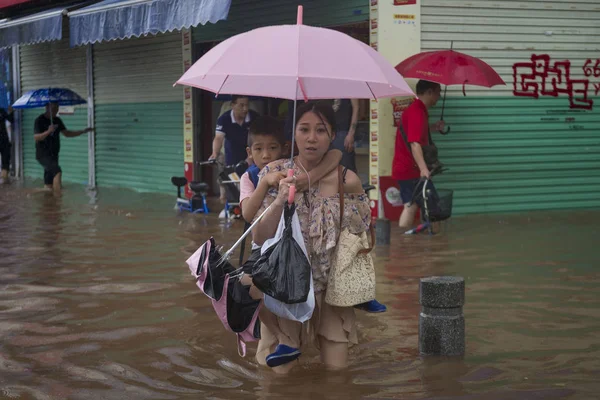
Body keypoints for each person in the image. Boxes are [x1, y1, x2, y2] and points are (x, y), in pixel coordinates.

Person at [249, 101, 374, 373]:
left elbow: (360, 236)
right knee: (276, 382)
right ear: (293, 134)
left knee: (337, 377)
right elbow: (259, 234)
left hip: (329, 292)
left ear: (332, 135)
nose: (312, 138)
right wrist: (280, 200)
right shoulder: (275, 173)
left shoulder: (347, 180)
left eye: (321, 130)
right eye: (304, 129)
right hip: (284, 287)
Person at [392, 80, 445, 231]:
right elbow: (414, 143)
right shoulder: (417, 111)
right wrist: (423, 169)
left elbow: (416, 131)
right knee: (434, 210)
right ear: (429, 92)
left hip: (406, 168)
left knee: (410, 205)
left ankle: (403, 243)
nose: (439, 96)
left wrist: (434, 127)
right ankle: (437, 247)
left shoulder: (418, 110)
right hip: (412, 170)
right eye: (437, 92)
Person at [210, 95, 259, 217]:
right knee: (231, 182)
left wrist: (251, 157)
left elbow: (259, 139)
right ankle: (231, 207)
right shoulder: (224, 119)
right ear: (233, 105)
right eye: (241, 105)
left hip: (251, 156)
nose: (245, 108)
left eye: (247, 105)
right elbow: (218, 138)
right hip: (231, 156)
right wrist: (214, 153)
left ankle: (250, 210)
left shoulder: (255, 118)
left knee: (250, 182)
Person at [34, 102, 94, 192]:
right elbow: (36, 137)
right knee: (57, 172)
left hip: (54, 154)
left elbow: (67, 133)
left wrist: (82, 131)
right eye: (53, 108)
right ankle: (58, 201)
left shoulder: (57, 120)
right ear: (47, 107)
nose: (56, 110)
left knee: (48, 186)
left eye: (57, 108)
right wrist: (48, 131)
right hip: (43, 154)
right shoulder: (39, 120)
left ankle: (47, 202)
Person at [330, 99, 360, 173]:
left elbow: (356, 108)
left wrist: (351, 133)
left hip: (343, 132)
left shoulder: (350, 88)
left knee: (347, 170)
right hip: (328, 131)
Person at [0, 106, 14, 182]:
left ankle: (4, 180)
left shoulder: (2, 111)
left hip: (4, 140)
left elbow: (11, 120)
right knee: (5, 161)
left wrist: (11, 112)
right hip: (4, 140)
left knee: (5, 161)